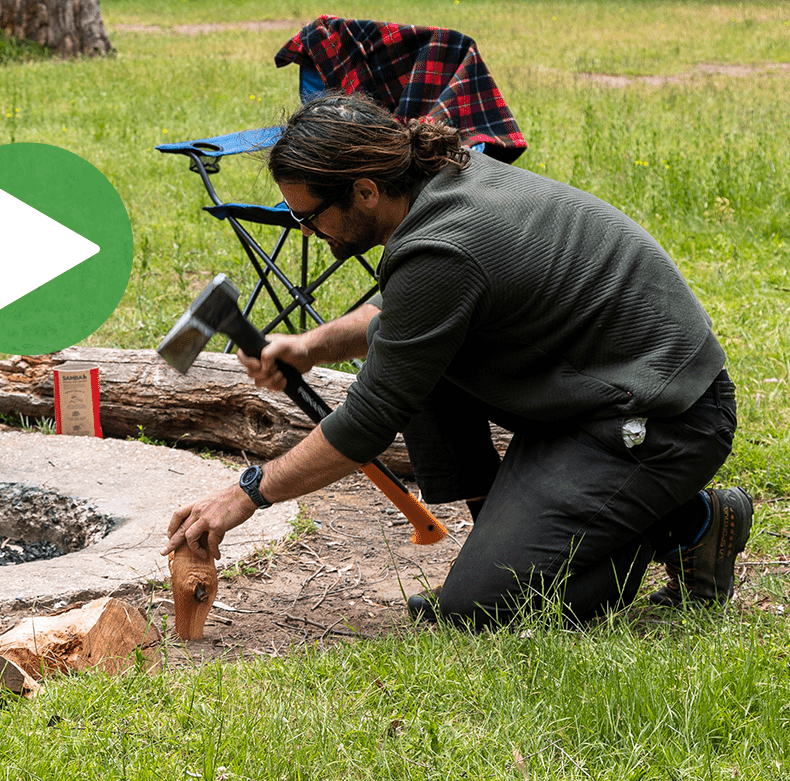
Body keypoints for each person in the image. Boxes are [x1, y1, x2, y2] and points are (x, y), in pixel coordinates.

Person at [164, 92, 752, 627]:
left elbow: (369, 421)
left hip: (662, 417)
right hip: (595, 390)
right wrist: (313, 345)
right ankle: (525, 533)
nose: (308, 229)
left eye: (310, 214)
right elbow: (408, 325)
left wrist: (244, 493)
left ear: (365, 190)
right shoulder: (441, 181)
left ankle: (688, 525)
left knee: (487, 610)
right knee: (413, 373)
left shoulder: (442, 247)